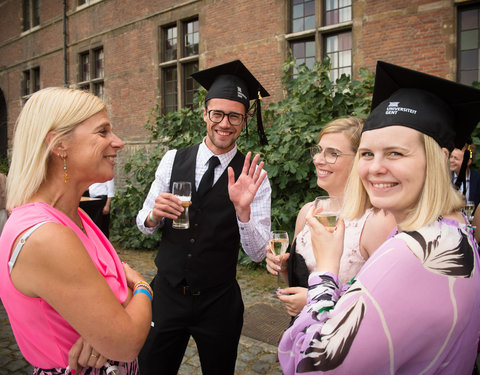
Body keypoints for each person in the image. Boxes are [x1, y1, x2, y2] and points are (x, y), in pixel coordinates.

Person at [278, 61, 480, 374]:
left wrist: (327, 272)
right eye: (368, 154)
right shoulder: (453, 231)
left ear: (440, 158)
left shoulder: (411, 253)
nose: (375, 168)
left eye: (396, 153)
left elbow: (312, 363)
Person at [0, 87, 152, 374]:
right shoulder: (46, 236)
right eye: (103, 132)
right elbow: (127, 342)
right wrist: (144, 286)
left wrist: (104, 326)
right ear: (59, 144)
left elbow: (112, 298)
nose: (118, 142)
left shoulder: (74, 215)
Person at [136, 60, 272, 375]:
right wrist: (155, 215)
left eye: (235, 115)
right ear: (204, 113)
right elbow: (143, 224)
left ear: (246, 119)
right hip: (167, 294)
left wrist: (243, 212)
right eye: (217, 114)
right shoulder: (172, 160)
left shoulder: (255, 177)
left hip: (218, 302)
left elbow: (256, 252)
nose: (225, 123)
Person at [266, 117, 395, 317]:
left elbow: (385, 306)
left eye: (332, 153)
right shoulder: (307, 213)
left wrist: (313, 302)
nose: (318, 160)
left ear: (361, 160)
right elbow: (297, 285)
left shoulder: (376, 222)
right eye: (318, 151)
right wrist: (283, 268)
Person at [450, 145, 480, 210]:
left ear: (468, 162)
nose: (451, 160)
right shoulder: (445, 177)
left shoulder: (477, 179)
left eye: (456, 158)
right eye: (451, 157)